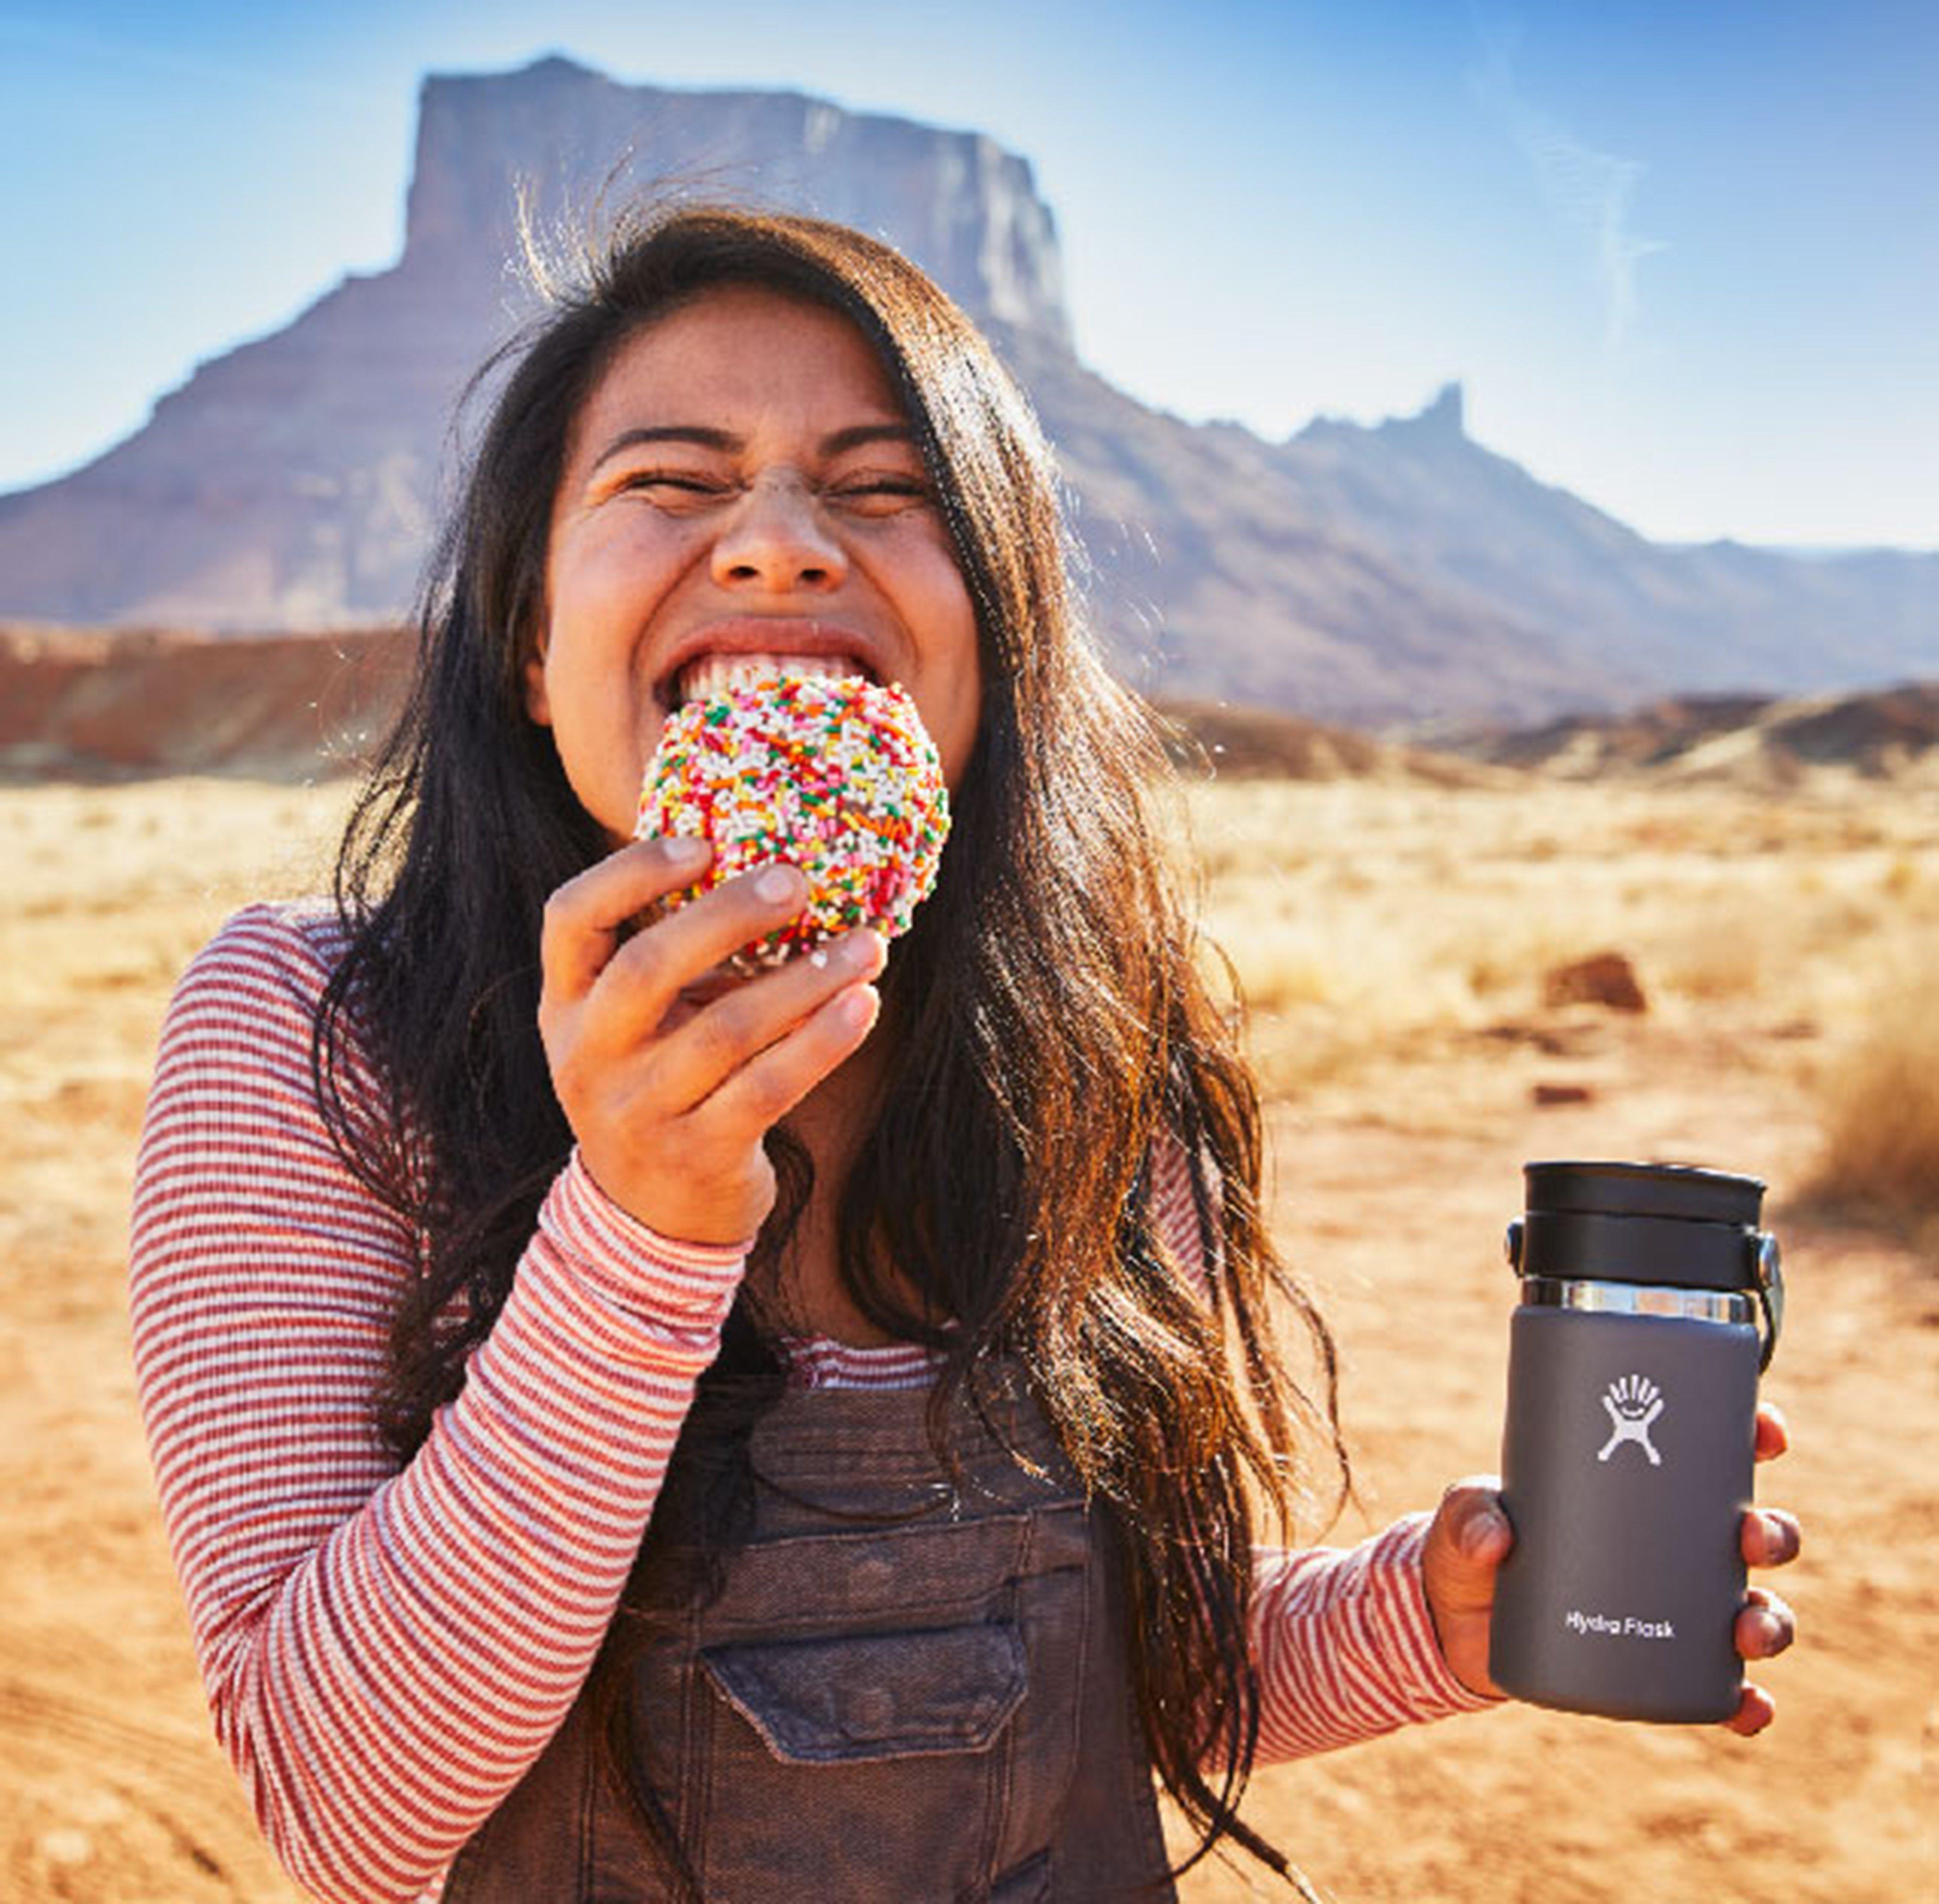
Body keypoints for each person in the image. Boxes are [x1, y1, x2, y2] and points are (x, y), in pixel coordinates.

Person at [129, 204, 1800, 1904]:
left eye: (883, 488)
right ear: (532, 652)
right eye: (672, 481)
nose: (779, 545)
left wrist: (1425, 1615)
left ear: (994, 647)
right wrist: (640, 1225)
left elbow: (1108, 1675)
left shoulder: (1088, 1053)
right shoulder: (318, 1033)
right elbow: (347, 1810)